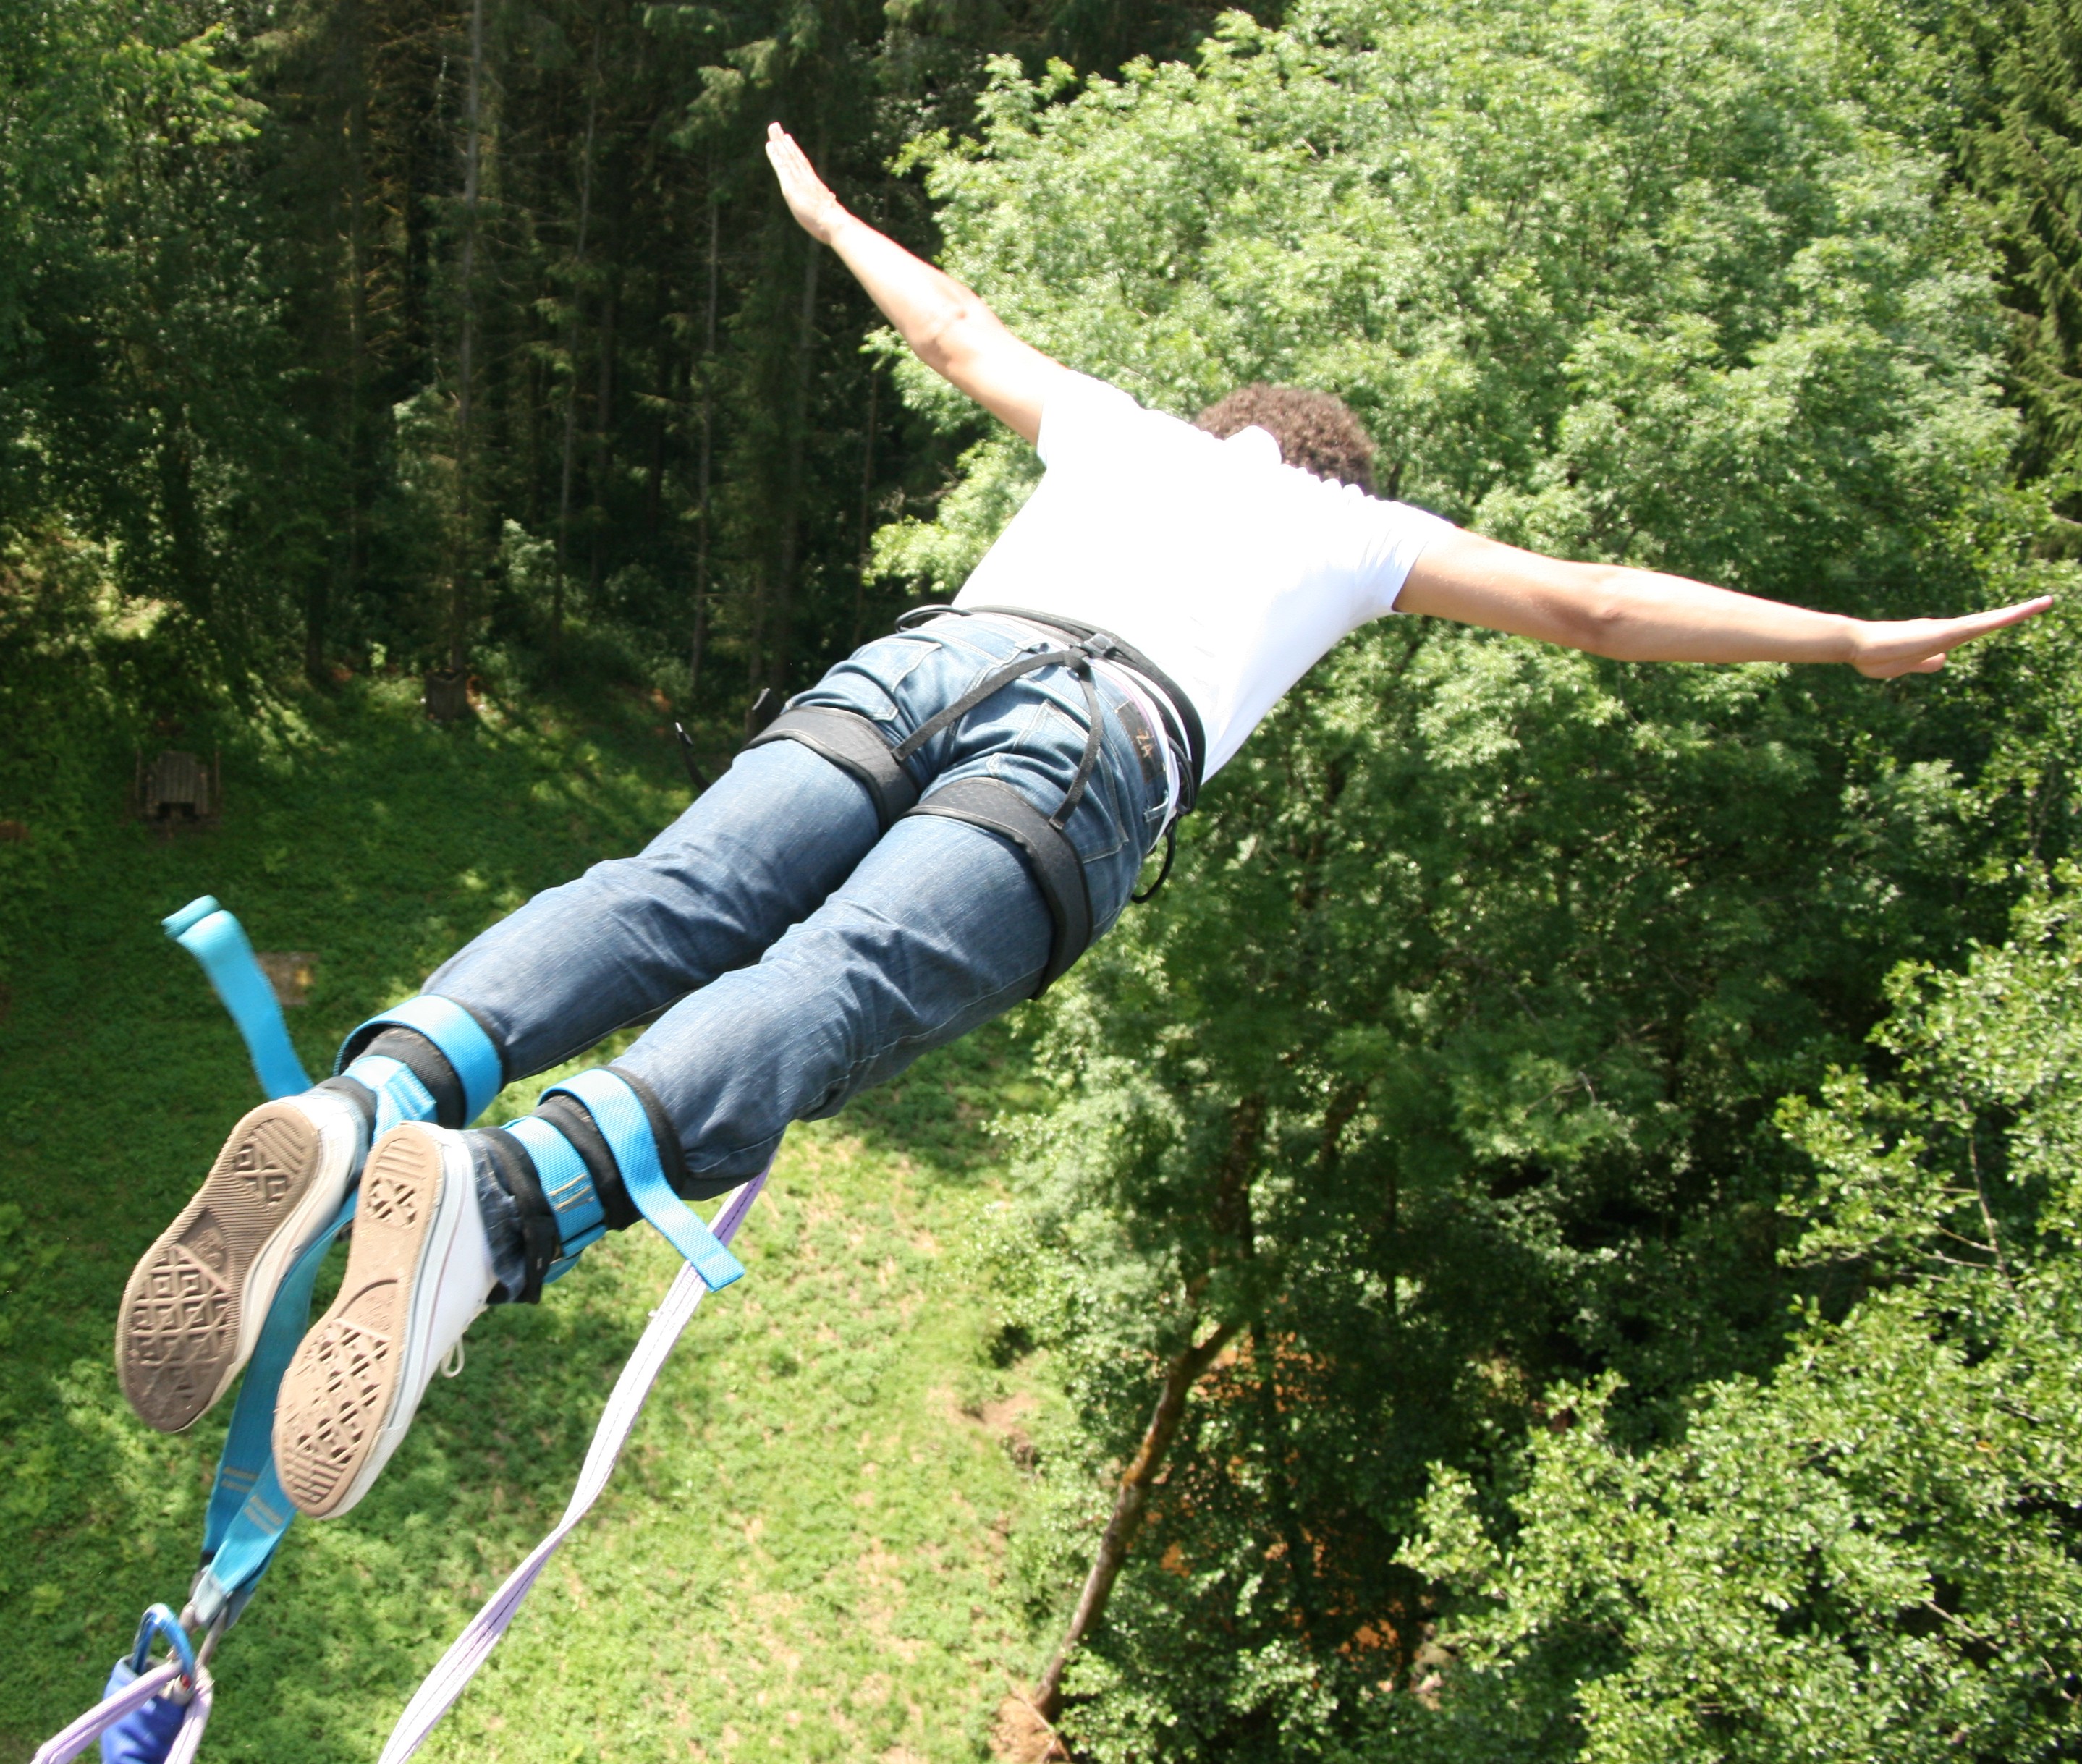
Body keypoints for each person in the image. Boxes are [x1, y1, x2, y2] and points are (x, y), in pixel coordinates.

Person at [114, 127, 2049, 1520]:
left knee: (673, 889)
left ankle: (377, 1096)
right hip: (1095, 748)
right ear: (1329, 470)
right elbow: (1606, 605)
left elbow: (954, 329)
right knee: (840, 975)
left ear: (1227, 428)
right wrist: (1858, 637)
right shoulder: (1361, 536)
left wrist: (825, 211)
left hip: (939, 658)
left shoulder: (1128, 437)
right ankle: (503, 1199)